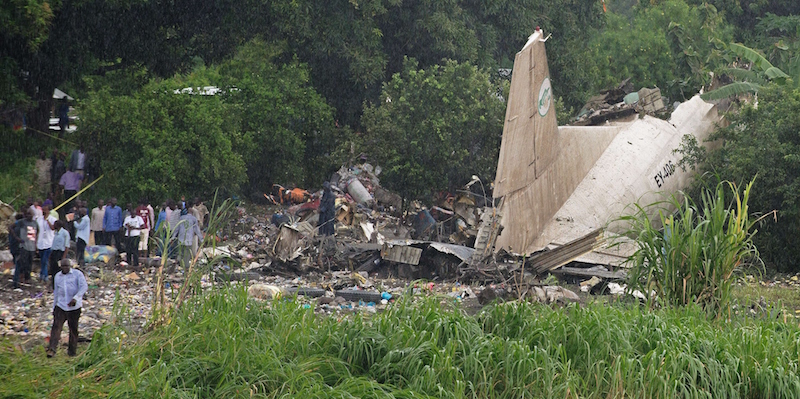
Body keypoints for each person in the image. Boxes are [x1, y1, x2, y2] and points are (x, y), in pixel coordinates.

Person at [47, 259, 87, 358]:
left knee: (73, 329)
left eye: (67, 266)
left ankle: (72, 352)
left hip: (74, 307)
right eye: (63, 266)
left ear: (70, 266)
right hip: (61, 305)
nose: (65, 268)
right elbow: (56, 292)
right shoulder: (58, 276)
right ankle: (52, 349)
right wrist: (54, 306)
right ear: (61, 267)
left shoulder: (77, 274)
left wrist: (76, 298)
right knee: (56, 327)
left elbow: (83, 287)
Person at [13, 209, 38, 288]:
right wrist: (17, 238)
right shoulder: (21, 222)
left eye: (30, 214)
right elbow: (10, 227)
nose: (28, 216)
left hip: (32, 247)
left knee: (29, 264)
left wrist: (36, 244)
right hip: (23, 246)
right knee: (22, 263)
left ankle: (27, 279)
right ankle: (20, 279)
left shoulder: (35, 223)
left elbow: (37, 233)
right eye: (27, 214)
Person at [36, 204, 57, 282]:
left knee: (45, 260)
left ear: (49, 211)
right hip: (40, 243)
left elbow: (53, 228)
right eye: (43, 210)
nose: (44, 211)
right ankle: (42, 275)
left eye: (45, 210)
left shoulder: (53, 219)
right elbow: (37, 231)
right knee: (42, 260)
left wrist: (47, 221)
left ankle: (45, 276)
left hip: (49, 243)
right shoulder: (39, 219)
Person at [49, 220, 70, 288]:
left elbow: (67, 246)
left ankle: (61, 285)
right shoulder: (56, 233)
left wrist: (63, 257)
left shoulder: (65, 233)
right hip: (54, 252)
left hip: (60, 253)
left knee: (60, 270)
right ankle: (54, 285)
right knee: (53, 269)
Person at [123, 203, 144, 267]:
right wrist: (130, 227)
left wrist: (135, 228)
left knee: (135, 250)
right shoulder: (127, 218)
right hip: (128, 235)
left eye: (134, 213)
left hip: (136, 236)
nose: (133, 214)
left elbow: (143, 226)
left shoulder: (139, 218)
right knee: (128, 250)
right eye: (132, 213)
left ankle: (136, 263)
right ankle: (129, 262)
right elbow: (126, 225)